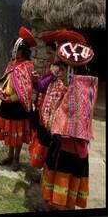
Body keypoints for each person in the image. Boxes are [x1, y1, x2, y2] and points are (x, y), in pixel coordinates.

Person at [40, 39, 98, 210]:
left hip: (69, 149)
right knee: (64, 189)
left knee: (64, 187)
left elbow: (66, 120)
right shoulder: (82, 88)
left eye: (64, 69)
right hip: (68, 147)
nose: (60, 73)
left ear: (71, 71)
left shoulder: (77, 91)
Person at [29, 29, 87, 171]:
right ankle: (45, 171)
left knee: (55, 149)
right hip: (53, 116)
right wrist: (36, 81)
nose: (51, 56)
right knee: (48, 144)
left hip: (64, 122)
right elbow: (42, 86)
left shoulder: (71, 75)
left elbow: (43, 85)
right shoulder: (55, 70)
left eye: (53, 53)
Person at [0, 26, 36, 171]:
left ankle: (16, 158)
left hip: (19, 105)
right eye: (13, 49)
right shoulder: (12, 63)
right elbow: (6, 79)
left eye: (16, 49)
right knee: (9, 131)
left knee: (17, 134)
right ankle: (10, 155)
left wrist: (14, 97)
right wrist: (3, 93)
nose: (13, 51)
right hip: (8, 104)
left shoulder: (27, 66)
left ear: (22, 50)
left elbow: (26, 88)